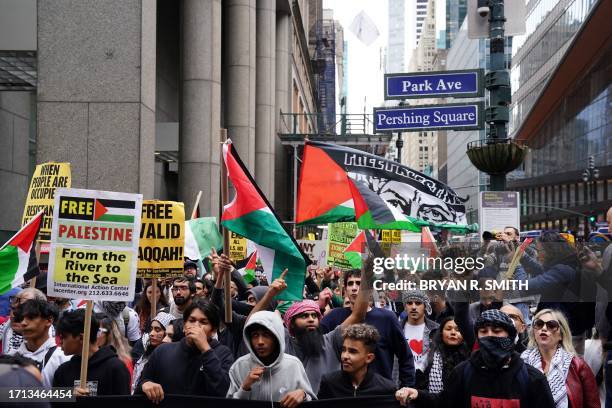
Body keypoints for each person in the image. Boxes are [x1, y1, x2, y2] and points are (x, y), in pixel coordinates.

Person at [396, 309, 555, 408]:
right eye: (484, 331)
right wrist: (418, 394)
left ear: (510, 336)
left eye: (497, 331)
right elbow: (444, 402)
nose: (490, 336)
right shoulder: (463, 372)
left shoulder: (532, 379)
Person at [321, 269, 415, 387]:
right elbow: (314, 345)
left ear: (370, 290)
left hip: (379, 396)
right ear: (344, 290)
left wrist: (407, 389)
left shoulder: (387, 318)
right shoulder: (333, 317)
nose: (354, 288)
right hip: (342, 395)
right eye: (350, 284)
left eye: (359, 283)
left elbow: (405, 357)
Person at [137, 300, 233, 403]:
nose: (196, 326)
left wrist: (205, 349)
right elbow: (142, 383)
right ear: (184, 326)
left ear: (213, 330)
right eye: (191, 320)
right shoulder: (163, 351)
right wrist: (146, 384)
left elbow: (223, 391)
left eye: (203, 322)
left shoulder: (223, 353)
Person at [227, 311, 316, 405]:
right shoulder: (239, 366)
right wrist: (244, 388)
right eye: (255, 335)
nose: (260, 341)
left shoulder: (293, 365)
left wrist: (303, 395)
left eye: (266, 335)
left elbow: (313, 401)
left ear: (277, 337)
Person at [521, 309, 599, 408]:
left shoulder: (578, 365)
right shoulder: (522, 363)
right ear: (534, 331)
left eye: (551, 325)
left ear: (561, 335)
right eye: (539, 324)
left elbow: (593, 404)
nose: (544, 328)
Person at [53, 309, 131, 396]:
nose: (60, 342)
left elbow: (124, 402)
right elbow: (52, 401)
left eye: (64, 337)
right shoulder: (63, 371)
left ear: (81, 338)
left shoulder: (116, 368)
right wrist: (69, 395)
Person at [318, 323, 397, 398]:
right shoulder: (329, 383)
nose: (345, 356)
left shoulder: (385, 389)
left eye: (352, 351)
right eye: (343, 349)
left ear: (369, 358)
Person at [11, 298, 70, 387]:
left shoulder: (63, 358)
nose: (23, 323)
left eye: (31, 317)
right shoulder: (10, 356)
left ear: (49, 321)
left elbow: (70, 398)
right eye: (21, 318)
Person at [414, 316, 469, 393]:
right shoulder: (429, 356)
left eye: (458, 330)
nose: (453, 332)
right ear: (441, 333)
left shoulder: (469, 357)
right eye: (448, 329)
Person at [400, 290, 439, 385]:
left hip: (429, 382)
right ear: (405, 306)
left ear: (425, 306)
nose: (413, 307)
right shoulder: (397, 329)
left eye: (418, 303)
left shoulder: (437, 329)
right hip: (403, 382)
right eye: (409, 303)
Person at [131, 311, 174, 394]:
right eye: (151, 329)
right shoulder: (144, 351)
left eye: (157, 330)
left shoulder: (170, 360)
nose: (151, 333)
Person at [0, 288, 48, 354]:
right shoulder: (2, 325)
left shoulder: (56, 347)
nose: (14, 315)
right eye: (13, 308)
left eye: (22, 310)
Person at [96, 315, 134, 382]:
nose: (92, 335)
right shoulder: (83, 358)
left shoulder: (123, 362)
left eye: (98, 331)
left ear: (109, 334)